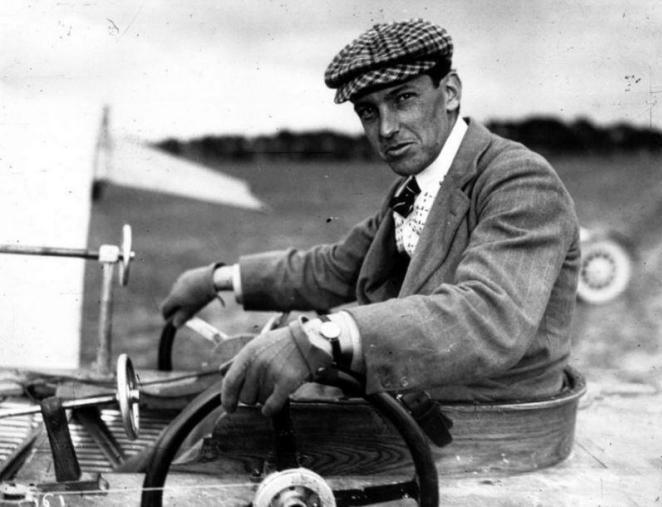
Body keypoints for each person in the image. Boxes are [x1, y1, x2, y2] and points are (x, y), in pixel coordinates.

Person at [161, 19, 580, 418]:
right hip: (422, 394)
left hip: (489, 414)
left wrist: (319, 337)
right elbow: (336, 268)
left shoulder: (519, 180)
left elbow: (487, 316)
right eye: (368, 112)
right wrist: (219, 279)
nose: (386, 129)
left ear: (450, 92)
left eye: (403, 99)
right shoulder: (412, 188)